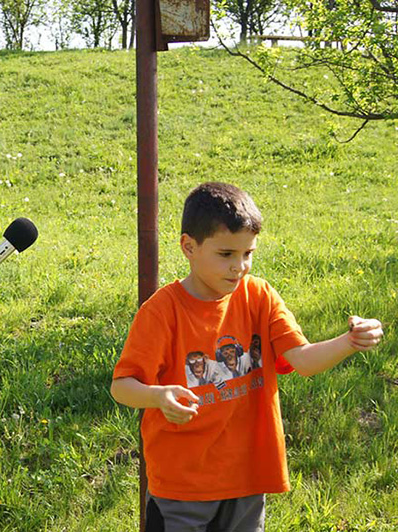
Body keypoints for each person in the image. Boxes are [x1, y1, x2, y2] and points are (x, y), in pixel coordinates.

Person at [110, 182, 383, 531]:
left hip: (248, 478)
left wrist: (349, 341)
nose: (239, 266)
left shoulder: (260, 297)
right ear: (188, 247)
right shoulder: (162, 312)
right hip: (182, 487)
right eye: (226, 254)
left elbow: (302, 359)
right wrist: (158, 395)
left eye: (248, 254)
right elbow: (122, 386)